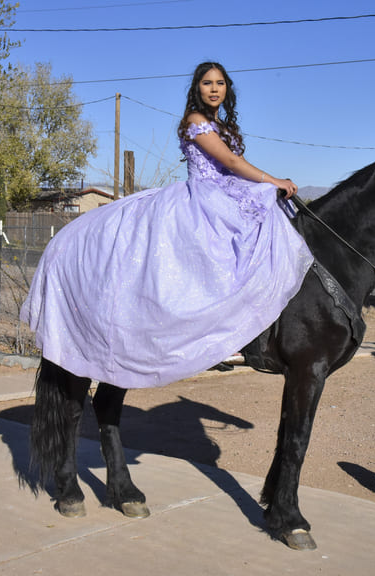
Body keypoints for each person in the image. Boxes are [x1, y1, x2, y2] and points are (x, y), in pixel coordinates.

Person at [20, 61, 314, 388]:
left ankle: (249, 332)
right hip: (203, 196)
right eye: (207, 83)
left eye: (219, 83)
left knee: (262, 233)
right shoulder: (195, 120)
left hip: (225, 190)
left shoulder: (220, 123)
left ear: (227, 88)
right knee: (209, 254)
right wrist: (273, 179)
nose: (214, 88)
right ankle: (214, 339)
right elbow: (230, 161)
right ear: (197, 89)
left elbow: (231, 168)